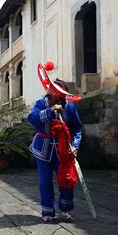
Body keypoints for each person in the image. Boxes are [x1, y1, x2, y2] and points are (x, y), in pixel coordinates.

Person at [28, 78, 82, 223]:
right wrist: (49, 111)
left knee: (66, 180)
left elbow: (77, 129)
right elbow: (32, 118)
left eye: (55, 90)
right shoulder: (41, 104)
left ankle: (65, 210)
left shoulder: (70, 107)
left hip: (63, 149)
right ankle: (48, 212)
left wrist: (75, 146)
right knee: (44, 182)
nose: (51, 91)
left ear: (62, 94)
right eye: (50, 88)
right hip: (42, 148)